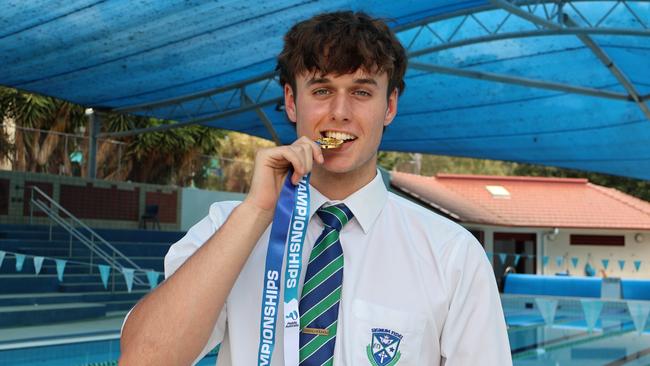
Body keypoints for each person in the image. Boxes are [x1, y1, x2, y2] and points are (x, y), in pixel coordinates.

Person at [120, 11, 511, 366]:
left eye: (361, 92)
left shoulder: (451, 255)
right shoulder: (227, 227)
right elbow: (143, 359)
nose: (340, 111)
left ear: (389, 106)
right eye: (322, 90)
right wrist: (256, 212)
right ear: (292, 102)